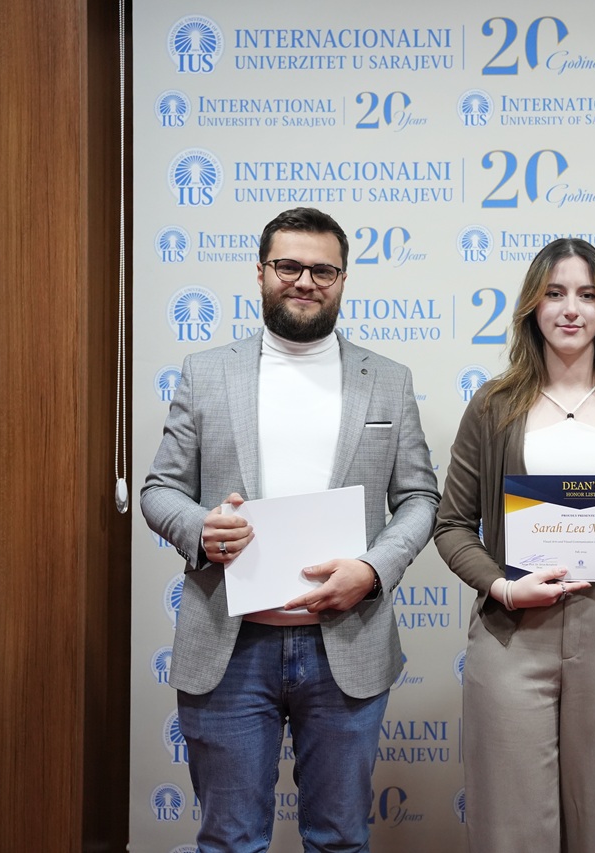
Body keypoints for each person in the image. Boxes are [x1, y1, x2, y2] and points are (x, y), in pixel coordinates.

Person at [140, 207, 439, 852]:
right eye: (289, 266)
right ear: (261, 273)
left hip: (346, 646)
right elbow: (160, 491)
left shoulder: (388, 380)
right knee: (230, 841)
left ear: (343, 279)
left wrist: (374, 569)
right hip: (230, 645)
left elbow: (419, 498)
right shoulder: (206, 371)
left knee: (339, 840)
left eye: (323, 270)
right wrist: (200, 528)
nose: (305, 281)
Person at [434, 238, 595, 853]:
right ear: (532, 307)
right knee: (509, 826)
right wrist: (502, 587)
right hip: (514, 630)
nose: (571, 309)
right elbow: (452, 524)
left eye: (587, 295)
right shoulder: (493, 406)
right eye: (555, 293)